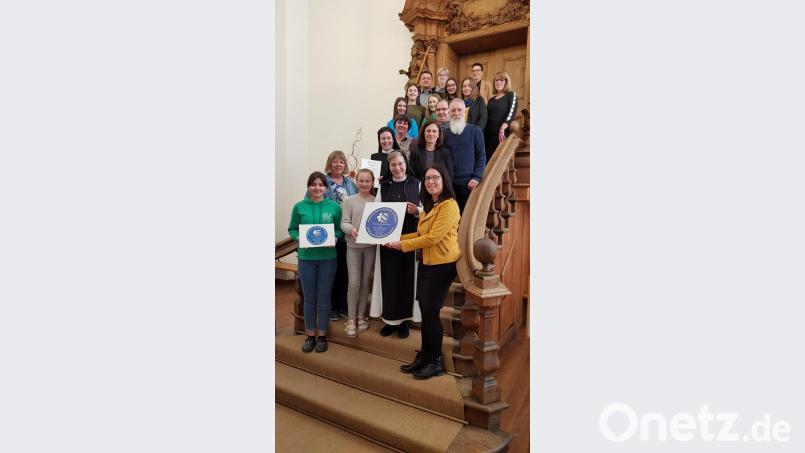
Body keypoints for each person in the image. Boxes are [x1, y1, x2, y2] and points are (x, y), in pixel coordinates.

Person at [386, 164, 460, 380]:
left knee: (431, 312)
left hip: (442, 265)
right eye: (427, 178)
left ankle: (436, 361)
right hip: (427, 262)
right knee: (426, 312)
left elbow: (432, 238)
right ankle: (426, 355)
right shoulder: (430, 206)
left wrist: (402, 246)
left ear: (444, 180)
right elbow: (419, 234)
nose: (431, 182)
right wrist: (395, 239)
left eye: (435, 178)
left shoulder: (449, 206)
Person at [288, 171, 343, 353]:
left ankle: (322, 337)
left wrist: (335, 237)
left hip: (328, 259)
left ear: (326, 188)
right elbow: (293, 229)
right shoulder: (299, 207)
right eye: (314, 184)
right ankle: (310, 336)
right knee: (309, 299)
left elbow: (339, 230)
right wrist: (301, 238)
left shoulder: (334, 207)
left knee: (324, 299)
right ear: (308, 187)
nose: (317, 188)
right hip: (306, 259)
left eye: (321, 185)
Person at [370, 152, 421, 339]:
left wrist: (417, 210)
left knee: (407, 279)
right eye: (393, 165)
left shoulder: (417, 184)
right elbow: (376, 212)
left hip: (409, 240)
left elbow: (427, 211)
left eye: (400, 164)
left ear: (405, 164)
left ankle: (404, 321)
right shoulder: (384, 187)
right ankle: (389, 321)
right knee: (389, 279)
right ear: (389, 167)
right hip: (387, 241)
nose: (397, 168)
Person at [340, 168, 377, 337]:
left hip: (370, 248)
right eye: (361, 181)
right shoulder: (349, 201)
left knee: (364, 283)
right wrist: (351, 229)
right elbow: (344, 223)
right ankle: (351, 318)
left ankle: (361, 316)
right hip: (353, 247)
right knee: (353, 283)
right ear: (357, 182)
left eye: (367, 181)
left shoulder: (376, 201)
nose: (364, 184)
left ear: (372, 182)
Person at [322, 151, 358, 321]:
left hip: (347, 235)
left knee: (344, 272)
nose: (338, 164)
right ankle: (331, 308)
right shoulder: (322, 182)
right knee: (331, 273)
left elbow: (359, 201)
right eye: (335, 161)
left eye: (341, 162)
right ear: (330, 164)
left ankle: (343, 306)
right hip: (329, 234)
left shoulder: (351, 183)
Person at [442, 99, 486, 212]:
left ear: (465, 112)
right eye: (453, 110)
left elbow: (481, 156)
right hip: (449, 185)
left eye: (459, 110)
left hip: (469, 184)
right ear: (449, 113)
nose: (456, 113)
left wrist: (477, 177)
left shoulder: (475, 131)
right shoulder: (444, 134)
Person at [484, 71, 517, 162]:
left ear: (506, 82)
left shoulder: (510, 95)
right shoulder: (491, 100)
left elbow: (511, 112)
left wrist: (503, 127)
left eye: (501, 80)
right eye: (496, 80)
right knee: (487, 162)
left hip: (500, 134)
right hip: (487, 136)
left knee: (497, 163)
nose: (498, 82)